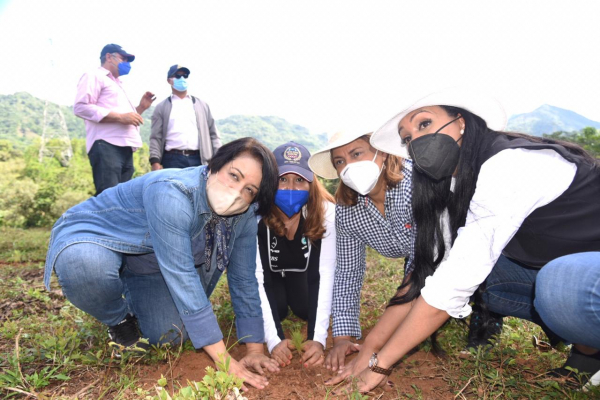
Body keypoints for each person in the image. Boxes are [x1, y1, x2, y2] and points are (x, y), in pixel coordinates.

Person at [337, 88, 600, 392]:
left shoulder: (508, 164)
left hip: (584, 273)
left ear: (460, 121)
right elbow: (429, 271)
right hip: (577, 265)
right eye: (407, 138)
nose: (417, 141)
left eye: (424, 124)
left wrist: (380, 363)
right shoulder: (454, 189)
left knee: (562, 284)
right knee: (493, 285)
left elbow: (454, 284)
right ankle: (589, 354)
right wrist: (370, 346)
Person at [43, 137, 280, 390]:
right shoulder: (173, 192)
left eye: (249, 189)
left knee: (169, 334)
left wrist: (255, 347)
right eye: (234, 176)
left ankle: (130, 294)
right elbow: (182, 275)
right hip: (100, 237)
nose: (237, 191)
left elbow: (243, 277)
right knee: (86, 267)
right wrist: (225, 361)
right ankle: (118, 320)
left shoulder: (242, 214)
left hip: (148, 265)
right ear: (215, 165)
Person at [307, 130, 416, 375]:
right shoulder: (348, 210)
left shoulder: (414, 186)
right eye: (340, 161)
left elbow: (423, 269)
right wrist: (342, 339)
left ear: (383, 152)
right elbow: (348, 272)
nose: (349, 166)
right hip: (416, 255)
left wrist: (373, 345)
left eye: (357, 154)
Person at [254, 142, 336, 369]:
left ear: (311, 183)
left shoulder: (326, 213)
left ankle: (293, 293)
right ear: (270, 181)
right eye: (282, 179)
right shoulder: (256, 214)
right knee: (277, 310)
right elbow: (257, 277)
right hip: (270, 276)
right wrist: (274, 340)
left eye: (299, 180)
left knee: (304, 307)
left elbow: (325, 273)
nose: (291, 188)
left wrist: (317, 339)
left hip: (302, 273)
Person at [74, 43, 156, 195]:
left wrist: (141, 108)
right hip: (106, 144)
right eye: (123, 58)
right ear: (108, 57)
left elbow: (126, 118)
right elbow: (81, 107)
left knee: (122, 200)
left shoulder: (119, 84)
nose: (126, 63)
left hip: (126, 147)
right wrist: (120, 117)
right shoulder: (94, 76)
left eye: (128, 60)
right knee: (108, 198)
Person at [149, 65, 221, 171]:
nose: (182, 79)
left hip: (200, 159)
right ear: (169, 80)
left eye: (185, 76)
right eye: (177, 76)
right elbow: (156, 137)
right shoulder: (162, 107)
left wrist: (219, 158)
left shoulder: (201, 105)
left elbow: (213, 135)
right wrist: (155, 161)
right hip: (172, 159)